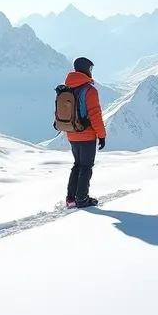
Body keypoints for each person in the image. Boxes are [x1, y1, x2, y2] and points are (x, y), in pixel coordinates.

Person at [62, 56, 106, 208]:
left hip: (71, 133)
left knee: (77, 165)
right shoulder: (90, 90)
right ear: (86, 69)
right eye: (90, 68)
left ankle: (71, 199)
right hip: (86, 134)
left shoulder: (67, 88)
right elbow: (95, 115)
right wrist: (102, 135)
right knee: (86, 166)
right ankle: (82, 199)